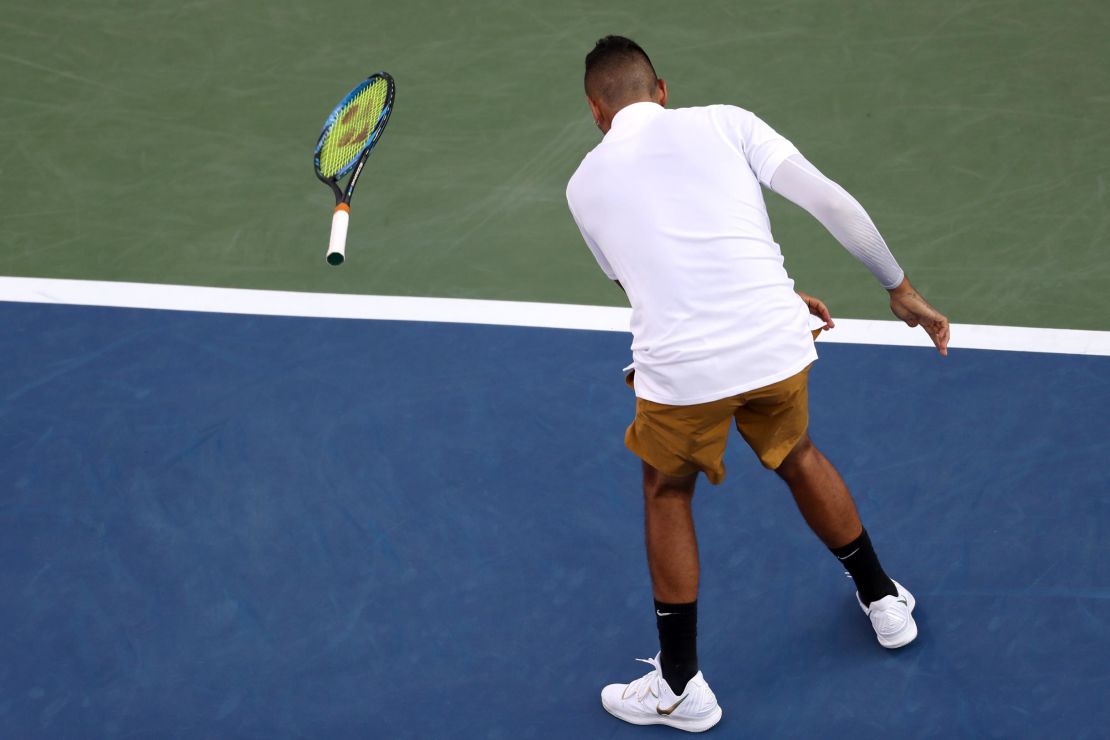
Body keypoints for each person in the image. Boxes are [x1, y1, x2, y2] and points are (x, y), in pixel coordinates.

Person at [565, 36, 950, 733]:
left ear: (597, 111)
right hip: (777, 344)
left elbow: (642, 279)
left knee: (666, 489)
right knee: (797, 452)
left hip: (684, 370)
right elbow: (832, 201)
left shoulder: (582, 185)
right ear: (661, 89)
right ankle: (884, 601)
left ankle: (680, 688)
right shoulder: (727, 121)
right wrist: (900, 289)